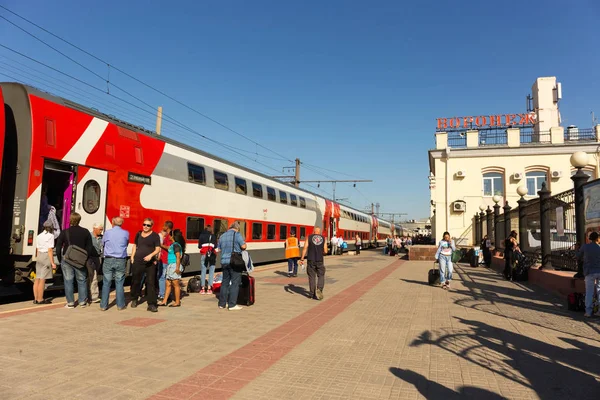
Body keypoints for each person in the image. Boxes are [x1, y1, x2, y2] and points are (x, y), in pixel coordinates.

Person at [56, 213, 92, 308]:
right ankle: (82, 302)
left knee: (68, 281)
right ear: (79, 220)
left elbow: (58, 247)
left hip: (67, 260)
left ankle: (70, 303)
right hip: (80, 261)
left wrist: (60, 259)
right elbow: (89, 247)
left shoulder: (65, 232)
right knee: (82, 280)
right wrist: (85, 258)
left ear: (70, 220)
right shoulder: (85, 232)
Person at [130, 218, 161, 312]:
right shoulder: (138, 234)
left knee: (151, 282)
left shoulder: (155, 236)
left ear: (152, 226)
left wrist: (150, 256)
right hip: (138, 261)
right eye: (144, 224)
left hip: (150, 263)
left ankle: (151, 304)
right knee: (136, 281)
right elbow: (135, 245)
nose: (145, 227)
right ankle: (134, 299)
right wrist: (132, 256)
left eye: (148, 225)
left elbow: (157, 249)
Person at [101, 217, 130, 311]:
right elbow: (127, 243)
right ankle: (120, 305)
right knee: (119, 282)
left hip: (109, 259)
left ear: (113, 223)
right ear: (122, 224)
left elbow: (103, 243)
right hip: (121, 260)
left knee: (106, 282)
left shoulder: (107, 233)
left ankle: (103, 306)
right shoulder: (126, 233)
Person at [217, 221, 246, 311]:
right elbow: (243, 246)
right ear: (237, 228)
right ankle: (232, 304)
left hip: (224, 262)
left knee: (225, 282)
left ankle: (222, 304)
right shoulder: (237, 235)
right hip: (234, 262)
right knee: (235, 283)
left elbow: (219, 248)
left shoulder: (222, 236)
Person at [299, 227, 328, 300]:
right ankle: (319, 289)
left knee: (312, 277)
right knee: (321, 275)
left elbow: (305, 248)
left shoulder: (309, 237)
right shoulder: (323, 238)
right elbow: (326, 251)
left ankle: (312, 294)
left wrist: (302, 258)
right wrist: (321, 252)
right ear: (319, 232)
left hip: (311, 260)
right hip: (320, 260)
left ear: (314, 231)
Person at [159, 229, 185, 307]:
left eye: (170, 235)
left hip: (174, 265)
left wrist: (177, 268)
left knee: (175, 284)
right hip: (170, 265)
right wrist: (160, 245)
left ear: (173, 236)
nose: (168, 236)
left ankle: (177, 302)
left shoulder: (176, 245)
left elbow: (178, 257)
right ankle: (164, 301)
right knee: (168, 283)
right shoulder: (173, 245)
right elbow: (168, 248)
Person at [33, 220, 57, 304]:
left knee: (37, 278)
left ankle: (35, 298)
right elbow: (50, 250)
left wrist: (36, 257)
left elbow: (37, 248)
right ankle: (40, 299)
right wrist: (53, 263)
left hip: (39, 255)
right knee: (42, 279)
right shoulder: (50, 236)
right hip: (45, 256)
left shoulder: (39, 236)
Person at [577, 232, 600, 318]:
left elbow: (578, 256)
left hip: (589, 272)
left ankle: (588, 312)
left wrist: (577, 249)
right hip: (599, 271)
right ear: (597, 238)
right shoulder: (599, 247)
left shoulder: (585, 246)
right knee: (599, 291)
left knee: (589, 292)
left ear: (589, 238)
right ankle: (599, 311)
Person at [198, 225, 218, 294]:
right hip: (212, 255)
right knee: (211, 271)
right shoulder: (213, 236)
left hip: (204, 254)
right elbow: (215, 246)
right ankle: (209, 288)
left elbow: (199, 246)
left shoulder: (201, 236)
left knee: (203, 270)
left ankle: (202, 289)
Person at [87, 223, 103, 304]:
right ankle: (94, 296)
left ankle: (90, 295)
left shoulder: (101, 237)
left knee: (93, 276)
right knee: (93, 277)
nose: (101, 231)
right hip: (90, 258)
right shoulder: (89, 236)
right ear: (94, 229)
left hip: (98, 258)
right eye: (100, 229)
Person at [157, 221, 173, 302]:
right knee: (166, 277)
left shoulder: (169, 237)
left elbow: (169, 248)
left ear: (167, 227)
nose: (163, 227)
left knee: (162, 277)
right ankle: (167, 293)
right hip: (165, 259)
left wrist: (160, 244)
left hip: (165, 260)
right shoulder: (167, 236)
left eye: (164, 226)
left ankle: (162, 294)